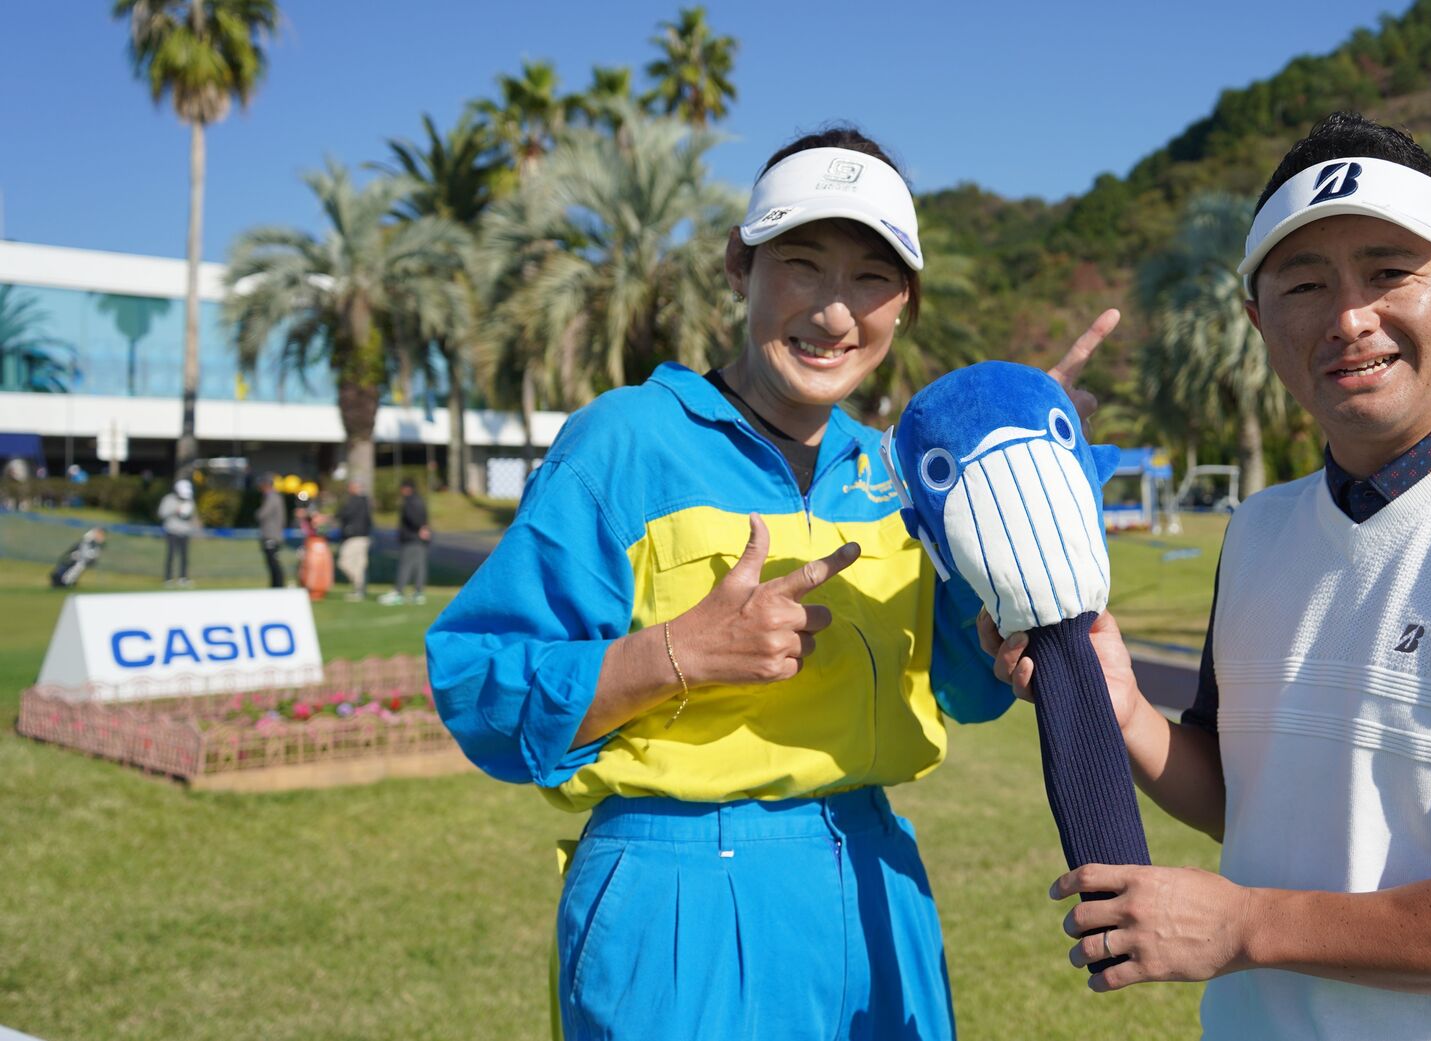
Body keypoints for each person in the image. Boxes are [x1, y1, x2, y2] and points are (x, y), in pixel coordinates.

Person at [982, 112, 1431, 1040]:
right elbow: (1254, 801)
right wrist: (1126, 714)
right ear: (1257, 319)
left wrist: (1244, 925)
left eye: (1390, 272)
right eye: (1306, 283)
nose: (1348, 316)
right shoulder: (1261, 529)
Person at [427, 126, 1113, 1041]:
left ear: (904, 302)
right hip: (676, 897)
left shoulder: (900, 475)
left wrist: (1016, 488)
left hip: (875, 880)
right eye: (802, 264)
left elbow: (961, 688)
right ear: (738, 268)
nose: (835, 313)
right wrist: (674, 653)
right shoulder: (625, 442)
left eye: (872, 277)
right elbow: (481, 684)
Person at [379, 477, 430, 605]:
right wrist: (424, 528)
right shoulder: (420, 500)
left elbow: (413, 518)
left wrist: (420, 527)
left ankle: (399, 592)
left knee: (405, 566)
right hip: (419, 539)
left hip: (411, 538)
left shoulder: (410, 502)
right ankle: (418, 593)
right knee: (419, 566)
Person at [333, 478, 373, 601]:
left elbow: (343, 514)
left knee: (344, 562)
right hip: (362, 537)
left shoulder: (356, 501)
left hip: (355, 537)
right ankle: (359, 590)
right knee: (359, 565)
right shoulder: (364, 501)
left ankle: (359, 586)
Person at [157, 478, 196, 588]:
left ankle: (183, 578)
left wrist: (186, 513)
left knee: (184, 557)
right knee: (171, 555)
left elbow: (191, 515)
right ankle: (168, 579)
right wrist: (175, 510)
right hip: (172, 531)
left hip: (184, 532)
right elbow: (161, 513)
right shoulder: (168, 499)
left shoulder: (189, 500)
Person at [255, 473, 287, 589]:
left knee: (274, 563)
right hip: (272, 535)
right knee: (272, 563)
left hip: (271, 535)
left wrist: (257, 514)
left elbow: (262, 514)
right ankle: (276, 586)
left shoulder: (272, 497)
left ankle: (278, 586)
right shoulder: (274, 497)